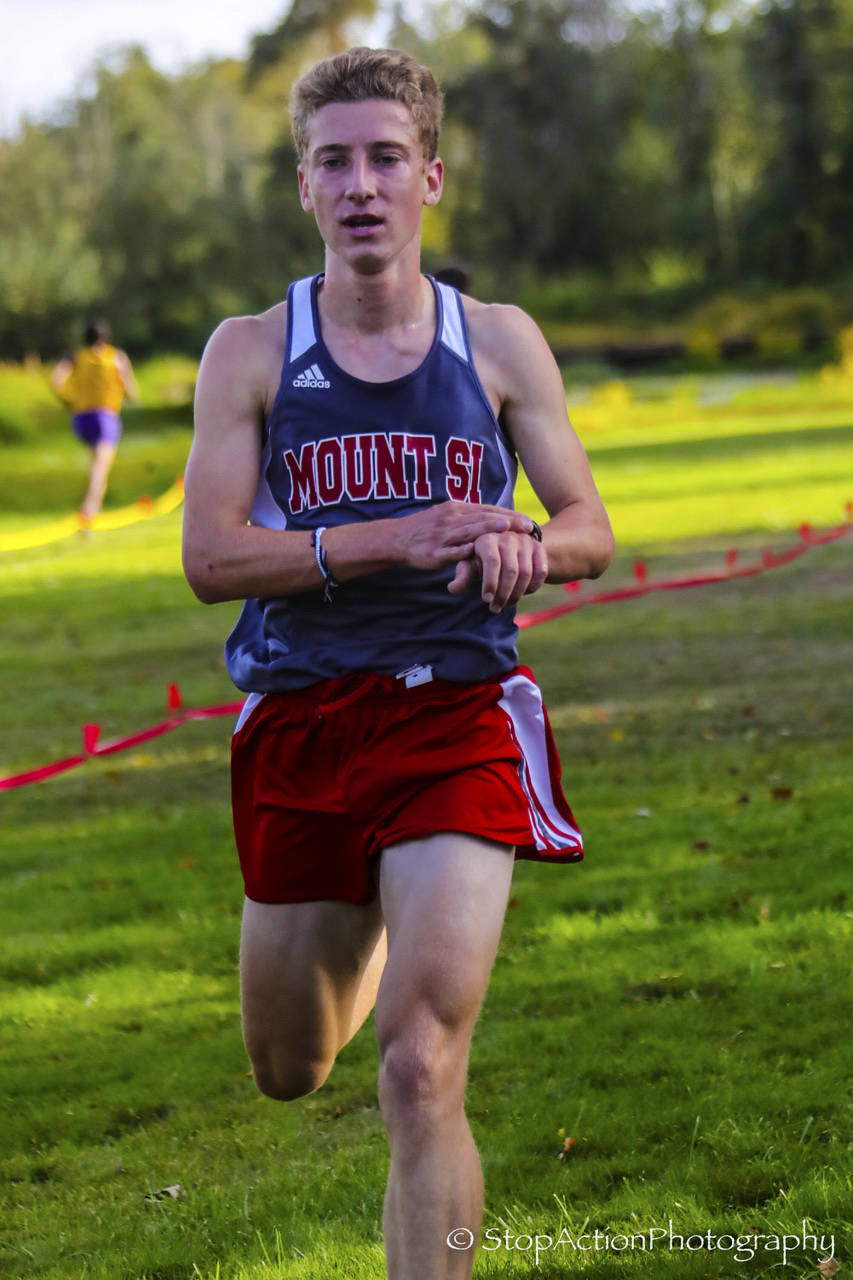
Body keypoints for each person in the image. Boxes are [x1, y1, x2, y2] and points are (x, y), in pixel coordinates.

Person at [182, 46, 614, 1280]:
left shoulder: (498, 341)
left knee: (422, 1062)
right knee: (288, 1064)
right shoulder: (252, 353)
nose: (361, 185)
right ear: (303, 188)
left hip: (455, 710)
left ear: (429, 175)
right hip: (304, 720)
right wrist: (393, 538)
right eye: (334, 163)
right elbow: (212, 558)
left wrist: (533, 541)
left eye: (384, 160)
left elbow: (589, 521)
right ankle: (374, 904)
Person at [50, 319, 138, 519]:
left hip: (81, 419)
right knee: (101, 468)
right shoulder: (116, 357)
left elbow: (55, 380)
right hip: (105, 418)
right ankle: (89, 510)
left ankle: (93, 509)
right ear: (106, 338)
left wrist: (68, 400)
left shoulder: (76, 356)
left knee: (95, 462)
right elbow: (132, 393)